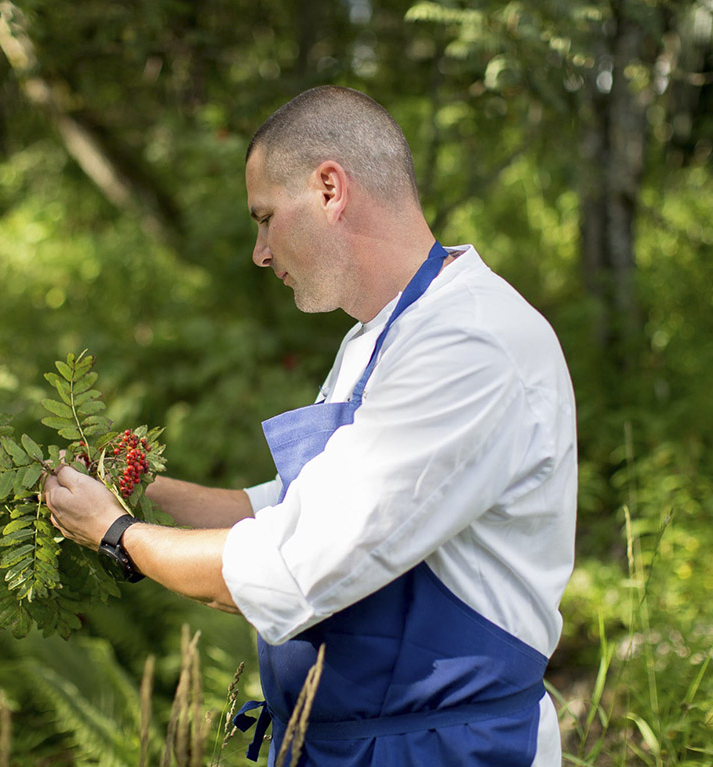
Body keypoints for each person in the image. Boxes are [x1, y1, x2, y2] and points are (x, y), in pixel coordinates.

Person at [43, 85, 577, 767]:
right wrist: (136, 489)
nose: (260, 252)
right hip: (351, 744)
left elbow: (294, 567)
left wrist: (118, 534)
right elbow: (286, 508)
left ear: (330, 189)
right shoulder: (377, 337)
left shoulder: (468, 344)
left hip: (448, 749)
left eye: (265, 217)